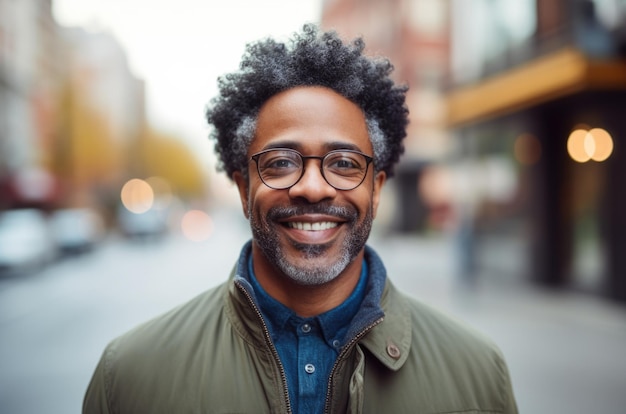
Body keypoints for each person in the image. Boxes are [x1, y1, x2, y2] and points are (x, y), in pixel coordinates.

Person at [83, 24, 518, 414]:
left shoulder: (478, 375)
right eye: (280, 162)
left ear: (378, 188)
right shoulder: (129, 377)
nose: (312, 187)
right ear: (242, 187)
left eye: (345, 163)